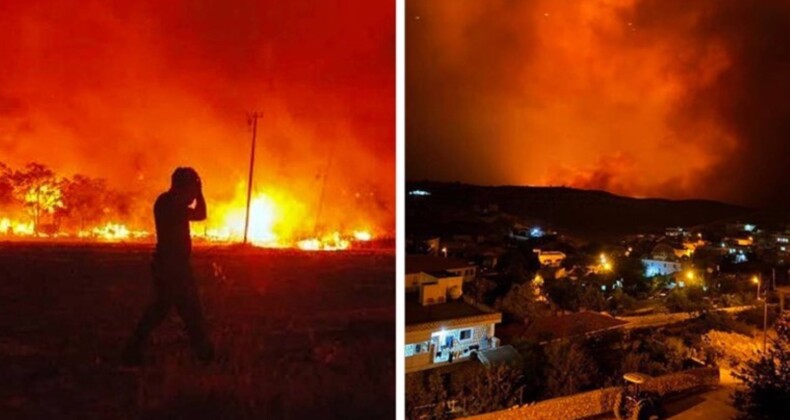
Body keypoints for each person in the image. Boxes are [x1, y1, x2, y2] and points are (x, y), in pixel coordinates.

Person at [123, 167, 214, 365]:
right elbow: (200, 214)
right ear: (182, 186)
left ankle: (133, 349)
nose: (192, 194)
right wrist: (199, 193)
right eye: (190, 188)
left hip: (174, 265)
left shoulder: (170, 202)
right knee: (186, 310)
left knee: (169, 309)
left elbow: (200, 214)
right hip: (171, 267)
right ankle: (204, 353)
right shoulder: (169, 203)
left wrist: (197, 192)